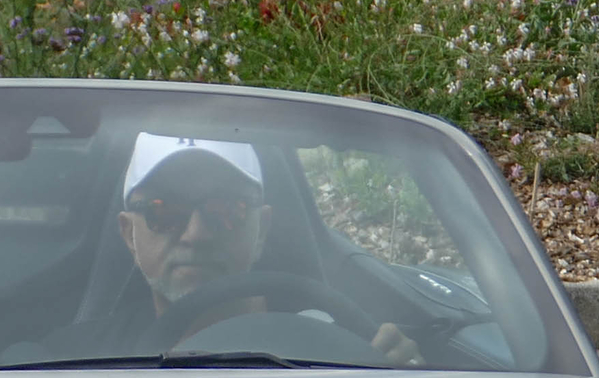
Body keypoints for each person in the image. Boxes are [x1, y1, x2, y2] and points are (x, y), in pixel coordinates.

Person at [28, 133, 422, 363]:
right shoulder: (67, 366)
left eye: (226, 210)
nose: (196, 233)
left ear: (262, 229)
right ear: (129, 234)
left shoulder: (348, 352)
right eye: (163, 211)